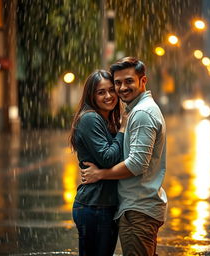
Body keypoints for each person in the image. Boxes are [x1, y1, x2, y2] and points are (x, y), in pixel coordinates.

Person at [81, 57, 168, 256]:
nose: (121, 88)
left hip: (138, 208)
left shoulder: (142, 113)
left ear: (143, 81)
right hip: (138, 206)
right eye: (117, 83)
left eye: (128, 81)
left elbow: (136, 164)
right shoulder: (136, 111)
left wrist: (100, 174)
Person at [69, 70, 127, 256]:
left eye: (111, 90)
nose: (109, 96)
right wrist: (123, 130)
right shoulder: (90, 118)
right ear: (91, 95)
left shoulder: (105, 119)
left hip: (104, 205)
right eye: (101, 92)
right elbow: (108, 158)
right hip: (94, 206)